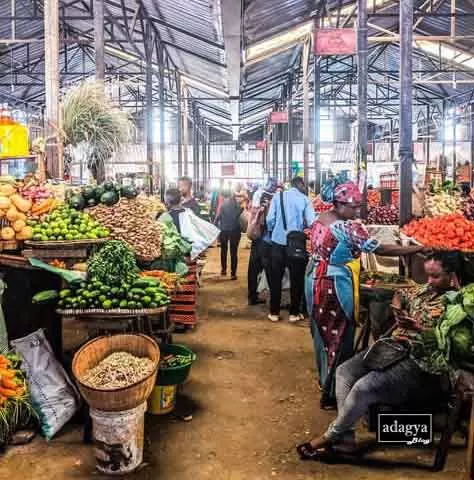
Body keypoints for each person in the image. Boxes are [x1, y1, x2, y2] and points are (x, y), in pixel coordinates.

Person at [297, 252, 461, 459]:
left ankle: (328, 437)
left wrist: (420, 330)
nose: (429, 281)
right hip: (394, 349)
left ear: (452, 275)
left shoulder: (459, 306)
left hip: (423, 366)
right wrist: (398, 308)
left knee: (364, 388)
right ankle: (346, 439)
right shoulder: (427, 290)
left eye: (435, 276)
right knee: (344, 372)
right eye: (428, 275)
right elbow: (402, 294)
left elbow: (450, 344)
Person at [305, 174, 428, 409]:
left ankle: (325, 382)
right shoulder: (345, 228)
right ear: (340, 205)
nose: (357, 212)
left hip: (316, 280)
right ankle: (332, 393)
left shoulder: (321, 218)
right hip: (334, 285)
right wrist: (415, 249)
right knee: (339, 337)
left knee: (323, 335)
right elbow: (379, 248)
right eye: (353, 207)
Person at [266, 177, 316, 323]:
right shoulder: (305, 200)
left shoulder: (278, 196)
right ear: (301, 185)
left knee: (276, 279)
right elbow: (312, 222)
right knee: (297, 279)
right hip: (297, 245)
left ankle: (274, 312)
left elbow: (270, 220)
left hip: (277, 243)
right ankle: (294, 313)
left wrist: (275, 230)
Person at [247, 177, 278, 306]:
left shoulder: (257, 195)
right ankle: (273, 299)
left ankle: (252, 296)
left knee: (253, 268)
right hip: (267, 239)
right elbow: (271, 221)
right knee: (270, 270)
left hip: (256, 236)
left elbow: (252, 213)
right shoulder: (275, 198)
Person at [215, 190, 242, 280]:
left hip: (224, 230)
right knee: (234, 252)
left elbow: (217, 217)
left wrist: (215, 226)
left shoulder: (222, 205)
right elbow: (240, 213)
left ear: (223, 196)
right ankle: (233, 274)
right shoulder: (236, 204)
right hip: (235, 230)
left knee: (223, 250)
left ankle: (223, 270)